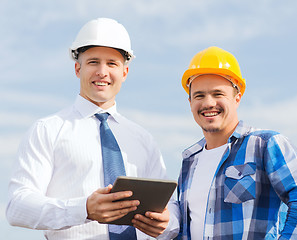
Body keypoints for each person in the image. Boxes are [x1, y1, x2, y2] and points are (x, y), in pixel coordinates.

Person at [6, 18, 179, 240]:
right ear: (78, 68)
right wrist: (84, 209)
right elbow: (17, 206)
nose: (102, 72)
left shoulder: (143, 139)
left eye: (112, 63)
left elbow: (170, 209)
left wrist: (167, 222)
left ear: (124, 73)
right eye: (93, 62)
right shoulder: (47, 130)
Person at [175, 46, 297, 239]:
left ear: (237, 97)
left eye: (218, 94)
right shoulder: (190, 161)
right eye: (199, 95)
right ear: (190, 102)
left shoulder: (265, 145)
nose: (208, 103)